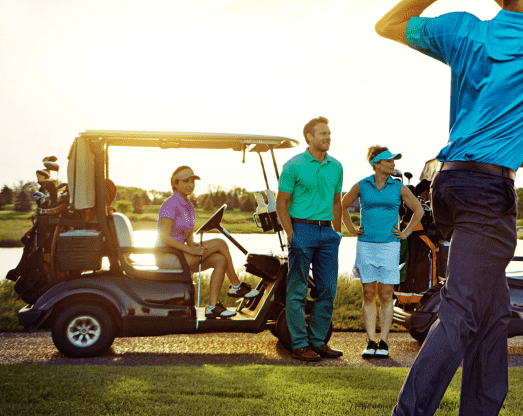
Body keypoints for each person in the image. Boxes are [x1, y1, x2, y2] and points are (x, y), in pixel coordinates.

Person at [344, 0, 523, 416]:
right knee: (466, 312)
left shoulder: (465, 32)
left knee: (493, 312)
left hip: (446, 184)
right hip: (489, 190)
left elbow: (389, 24)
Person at [341, 146, 425, 359]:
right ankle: (370, 341)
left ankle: (384, 342)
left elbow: (419, 210)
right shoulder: (362, 185)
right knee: (368, 294)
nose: (393, 163)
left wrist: (405, 233)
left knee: (386, 295)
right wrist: (351, 229)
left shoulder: (398, 187)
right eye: (388, 160)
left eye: (393, 160)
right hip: (366, 246)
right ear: (376, 163)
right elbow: (342, 206)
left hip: (389, 247)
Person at [276, 117, 346, 362]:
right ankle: (299, 343)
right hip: (301, 230)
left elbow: (337, 202)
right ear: (309, 137)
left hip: (327, 234)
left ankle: (318, 341)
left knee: (327, 289)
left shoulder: (336, 166)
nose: (327, 137)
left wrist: (337, 233)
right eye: (322, 133)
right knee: (297, 290)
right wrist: (291, 234)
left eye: (329, 133)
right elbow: (281, 203)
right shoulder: (293, 165)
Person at [156, 166, 259, 319]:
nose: (190, 184)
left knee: (220, 259)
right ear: (175, 184)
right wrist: (190, 250)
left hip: (182, 253)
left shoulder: (189, 207)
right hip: (167, 255)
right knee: (220, 243)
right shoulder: (169, 205)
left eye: (192, 181)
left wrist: (192, 244)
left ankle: (212, 307)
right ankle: (236, 286)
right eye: (186, 181)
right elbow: (164, 237)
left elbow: (187, 237)